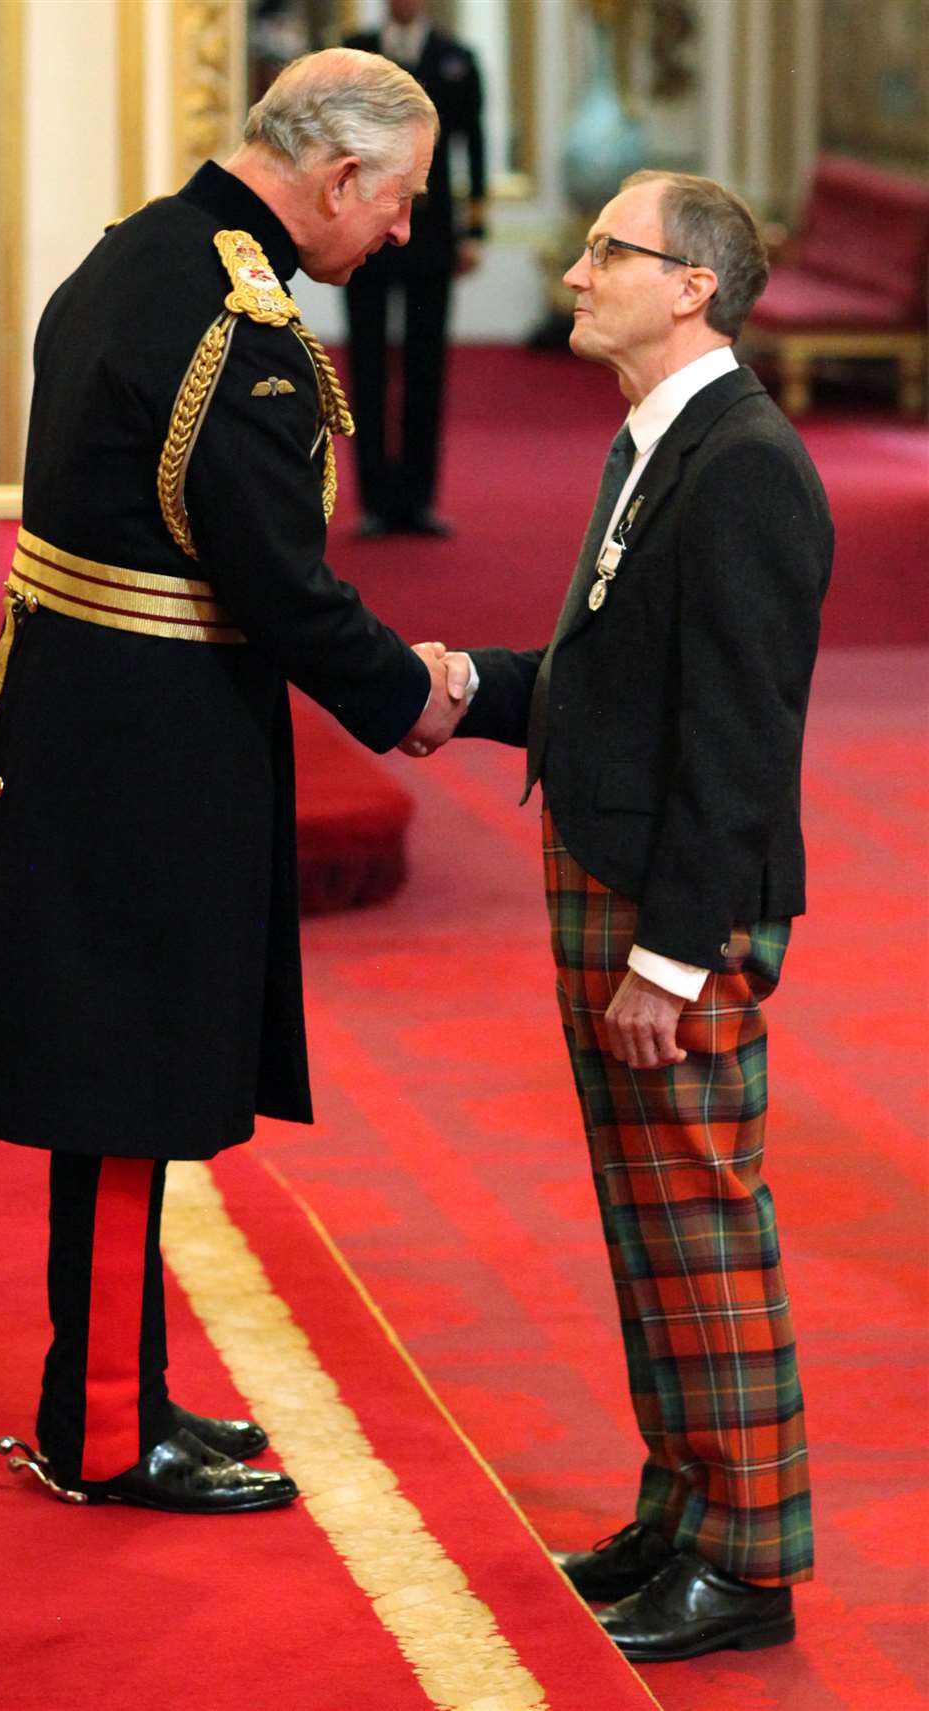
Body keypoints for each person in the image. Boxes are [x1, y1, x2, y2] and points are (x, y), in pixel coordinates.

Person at [0, 48, 468, 1516]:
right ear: (342, 176)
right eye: (401, 201)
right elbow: (282, 588)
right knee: (127, 1078)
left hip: (90, 719)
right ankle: (101, 1427)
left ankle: (118, 1383)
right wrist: (413, 696)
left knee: (127, 1074)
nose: (404, 233)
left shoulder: (138, 252)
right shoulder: (250, 328)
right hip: (151, 748)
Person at [410, 171, 831, 1661]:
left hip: (674, 907)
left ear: (691, 285)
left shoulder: (745, 466)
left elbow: (738, 734)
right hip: (618, 868)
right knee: (648, 1224)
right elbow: (611, 679)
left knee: (705, 1222)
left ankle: (749, 1554)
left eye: (608, 251)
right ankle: (683, 1506)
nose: (576, 273)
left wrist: (674, 949)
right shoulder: (659, 441)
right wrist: (473, 687)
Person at [344, 0, 486, 537]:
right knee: (368, 363)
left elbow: (472, 143)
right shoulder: (357, 54)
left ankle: (418, 499)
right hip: (367, 230)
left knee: (427, 364)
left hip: (430, 234)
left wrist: (473, 229)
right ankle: (375, 500)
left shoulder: (455, 58)